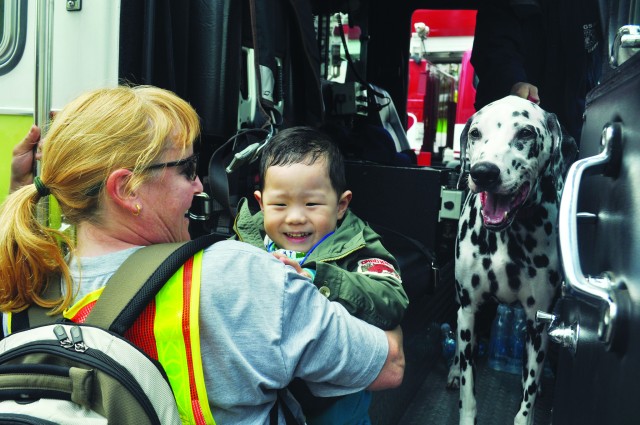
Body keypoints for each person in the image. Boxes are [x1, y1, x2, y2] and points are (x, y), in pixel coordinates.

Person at [0, 85, 405, 424]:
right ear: (126, 190)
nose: (199, 187)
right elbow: (390, 366)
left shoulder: (25, 272)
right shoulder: (242, 276)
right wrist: (383, 293)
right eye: (187, 169)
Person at [232, 126, 409, 424]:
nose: (296, 217)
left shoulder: (358, 245)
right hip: (266, 400)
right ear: (261, 204)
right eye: (279, 204)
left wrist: (319, 278)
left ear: (341, 205)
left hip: (337, 408)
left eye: (312, 204)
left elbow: (392, 299)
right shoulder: (244, 244)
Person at [471, 0, 604, 146]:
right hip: (510, 127)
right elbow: (494, 47)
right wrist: (513, 82)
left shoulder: (593, 7)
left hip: (576, 128)